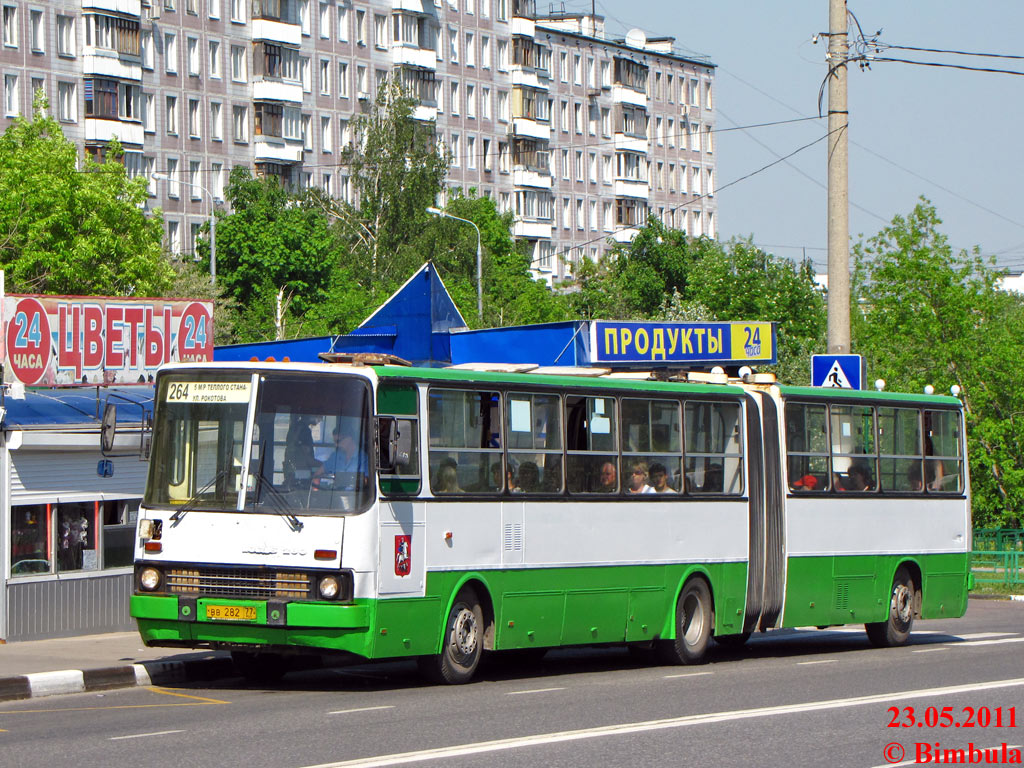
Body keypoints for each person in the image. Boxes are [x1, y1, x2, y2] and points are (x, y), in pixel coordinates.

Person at [314, 425, 369, 490]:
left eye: (338, 441)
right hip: (334, 497)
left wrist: (342, 479)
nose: (336, 445)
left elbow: (366, 481)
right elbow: (318, 474)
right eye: (334, 442)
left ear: (349, 438)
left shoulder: (364, 459)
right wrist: (315, 494)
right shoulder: (335, 457)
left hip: (355, 497)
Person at [284, 415, 320, 488]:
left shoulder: (295, 428)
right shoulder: (304, 430)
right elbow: (307, 456)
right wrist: (324, 466)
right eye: (319, 415)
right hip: (302, 472)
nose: (320, 419)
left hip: (293, 471)